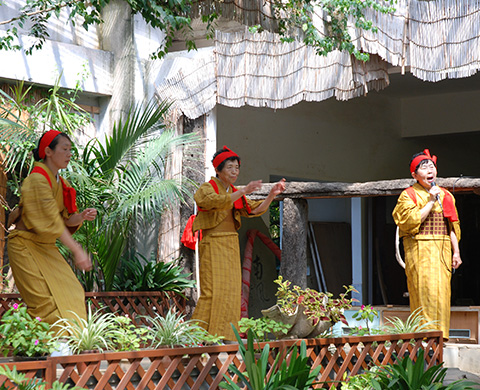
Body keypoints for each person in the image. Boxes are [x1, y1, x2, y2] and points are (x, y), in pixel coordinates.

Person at [191, 146, 286, 341]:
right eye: (230, 168)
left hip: (230, 244)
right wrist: (243, 190)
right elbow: (215, 202)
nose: (235, 172)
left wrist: (272, 195)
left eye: (237, 168)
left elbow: (253, 209)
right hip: (213, 243)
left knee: (232, 291)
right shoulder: (207, 188)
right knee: (212, 291)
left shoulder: (234, 192)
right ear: (218, 170)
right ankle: (195, 336)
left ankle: (225, 335)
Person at [7, 130, 97, 328]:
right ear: (48, 151)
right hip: (24, 245)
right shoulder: (37, 180)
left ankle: (68, 348)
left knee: (73, 290)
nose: (69, 154)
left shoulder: (60, 183)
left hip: (46, 247)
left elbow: (64, 220)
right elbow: (52, 222)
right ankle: (50, 351)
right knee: (44, 301)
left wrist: (81, 216)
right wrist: (77, 250)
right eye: (64, 149)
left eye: (70, 150)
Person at [392, 149, 461, 340]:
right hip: (420, 250)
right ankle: (424, 338)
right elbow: (409, 221)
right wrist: (430, 201)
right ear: (414, 175)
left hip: (442, 250)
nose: (430, 170)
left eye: (432, 166)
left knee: (442, 293)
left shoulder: (446, 195)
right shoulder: (408, 195)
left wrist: (456, 252)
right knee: (424, 291)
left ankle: (442, 336)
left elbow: (452, 225)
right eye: (424, 167)